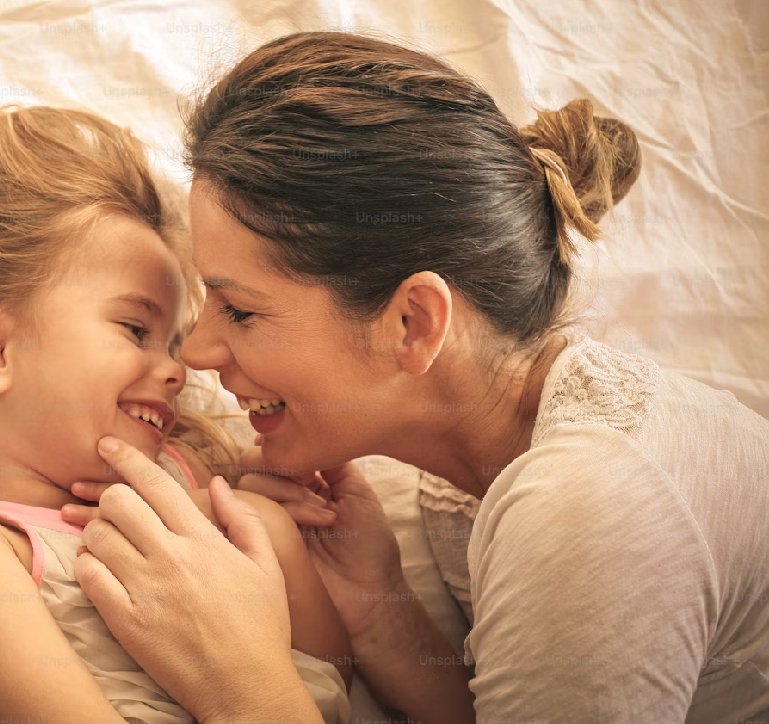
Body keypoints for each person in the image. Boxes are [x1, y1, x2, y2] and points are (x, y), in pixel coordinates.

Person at [63, 31, 769, 722]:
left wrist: (242, 684)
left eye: (240, 310)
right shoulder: (457, 489)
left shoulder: (591, 505)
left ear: (413, 323)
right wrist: (379, 608)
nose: (198, 353)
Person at [0, 105, 354, 723]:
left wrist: (264, 530)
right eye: (135, 328)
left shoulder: (209, 513)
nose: (181, 371)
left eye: (174, 345)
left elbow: (335, 688)